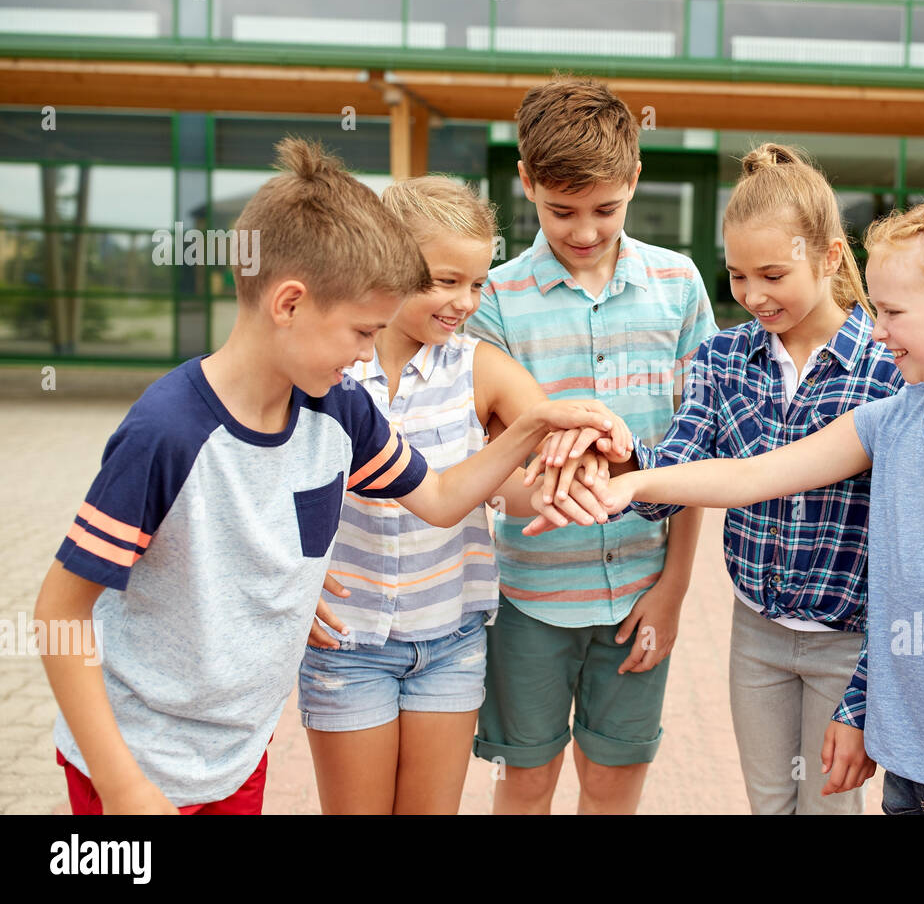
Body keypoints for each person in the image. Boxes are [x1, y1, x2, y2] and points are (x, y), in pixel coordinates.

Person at [31, 138, 621, 814]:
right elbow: (58, 614)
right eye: (361, 332)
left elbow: (438, 498)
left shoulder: (340, 410)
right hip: (135, 763)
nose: (369, 353)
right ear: (288, 304)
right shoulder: (166, 432)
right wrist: (122, 784)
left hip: (236, 758)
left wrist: (531, 427)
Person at [592, 190, 924, 815]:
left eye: (892, 312)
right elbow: (752, 477)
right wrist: (634, 482)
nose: (877, 330)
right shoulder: (891, 422)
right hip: (913, 771)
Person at [527, 143, 903, 813]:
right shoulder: (722, 359)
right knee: (768, 802)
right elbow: (676, 470)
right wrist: (619, 462)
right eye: (736, 277)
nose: (754, 297)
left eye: (773, 274)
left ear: (831, 258)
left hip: (850, 638)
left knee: (828, 807)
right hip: (755, 632)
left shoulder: (887, 369)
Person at [298, 175, 620, 814]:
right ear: (386, 261)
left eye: (476, 283)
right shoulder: (328, 369)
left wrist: (580, 467)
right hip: (349, 643)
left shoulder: (479, 368)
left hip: (450, 642)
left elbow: (537, 474)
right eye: (445, 282)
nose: (465, 302)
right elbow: (267, 487)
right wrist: (286, 586)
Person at [464, 75, 717, 814]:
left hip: (642, 594)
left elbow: (694, 461)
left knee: (612, 790)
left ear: (635, 179)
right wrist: (541, 486)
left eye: (605, 209)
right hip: (528, 600)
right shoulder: (495, 301)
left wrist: (672, 592)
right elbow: (491, 465)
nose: (582, 230)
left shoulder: (679, 286)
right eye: (559, 209)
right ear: (526, 182)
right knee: (526, 786)